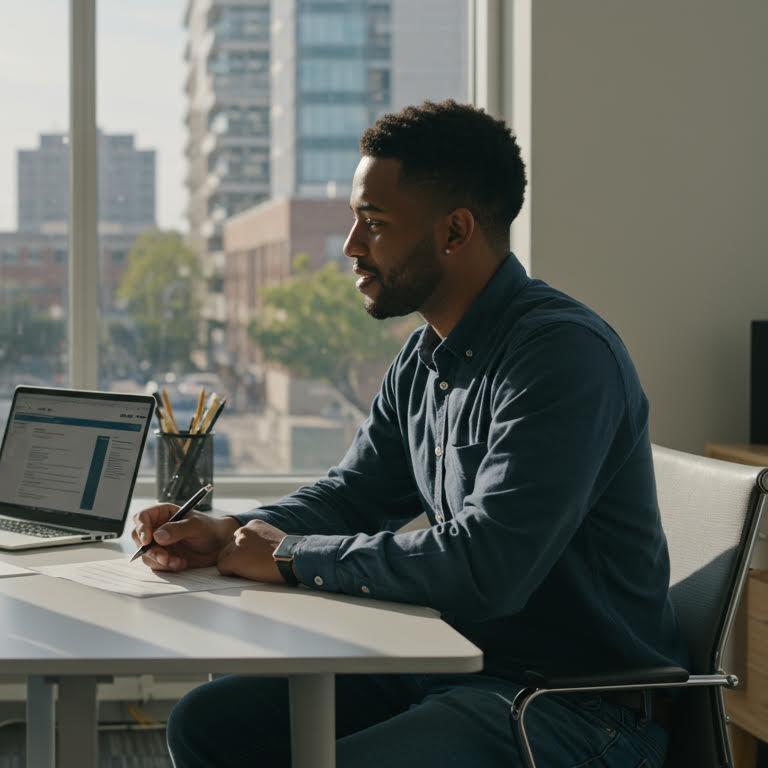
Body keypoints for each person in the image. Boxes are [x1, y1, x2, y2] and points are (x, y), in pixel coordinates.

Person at [134, 100, 684, 767]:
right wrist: (231, 530)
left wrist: (290, 557)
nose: (351, 246)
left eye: (375, 224)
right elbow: (353, 493)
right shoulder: (426, 357)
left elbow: (489, 568)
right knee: (210, 722)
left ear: (455, 231)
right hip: (457, 665)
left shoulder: (562, 357)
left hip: (571, 706)